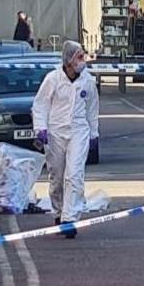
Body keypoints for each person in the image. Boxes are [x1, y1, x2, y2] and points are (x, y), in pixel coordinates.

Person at [32, 41, 99, 239]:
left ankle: (70, 218)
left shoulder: (88, 81)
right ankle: (59, 212)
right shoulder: (53, 79)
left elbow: (92, 109)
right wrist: (40, 128)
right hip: (55, 132)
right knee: (57, 176)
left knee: (74, 174)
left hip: (79, 131)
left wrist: (94, 134)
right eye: (79, 57)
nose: (82, 61)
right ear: (69, 61)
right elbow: (40, 104)